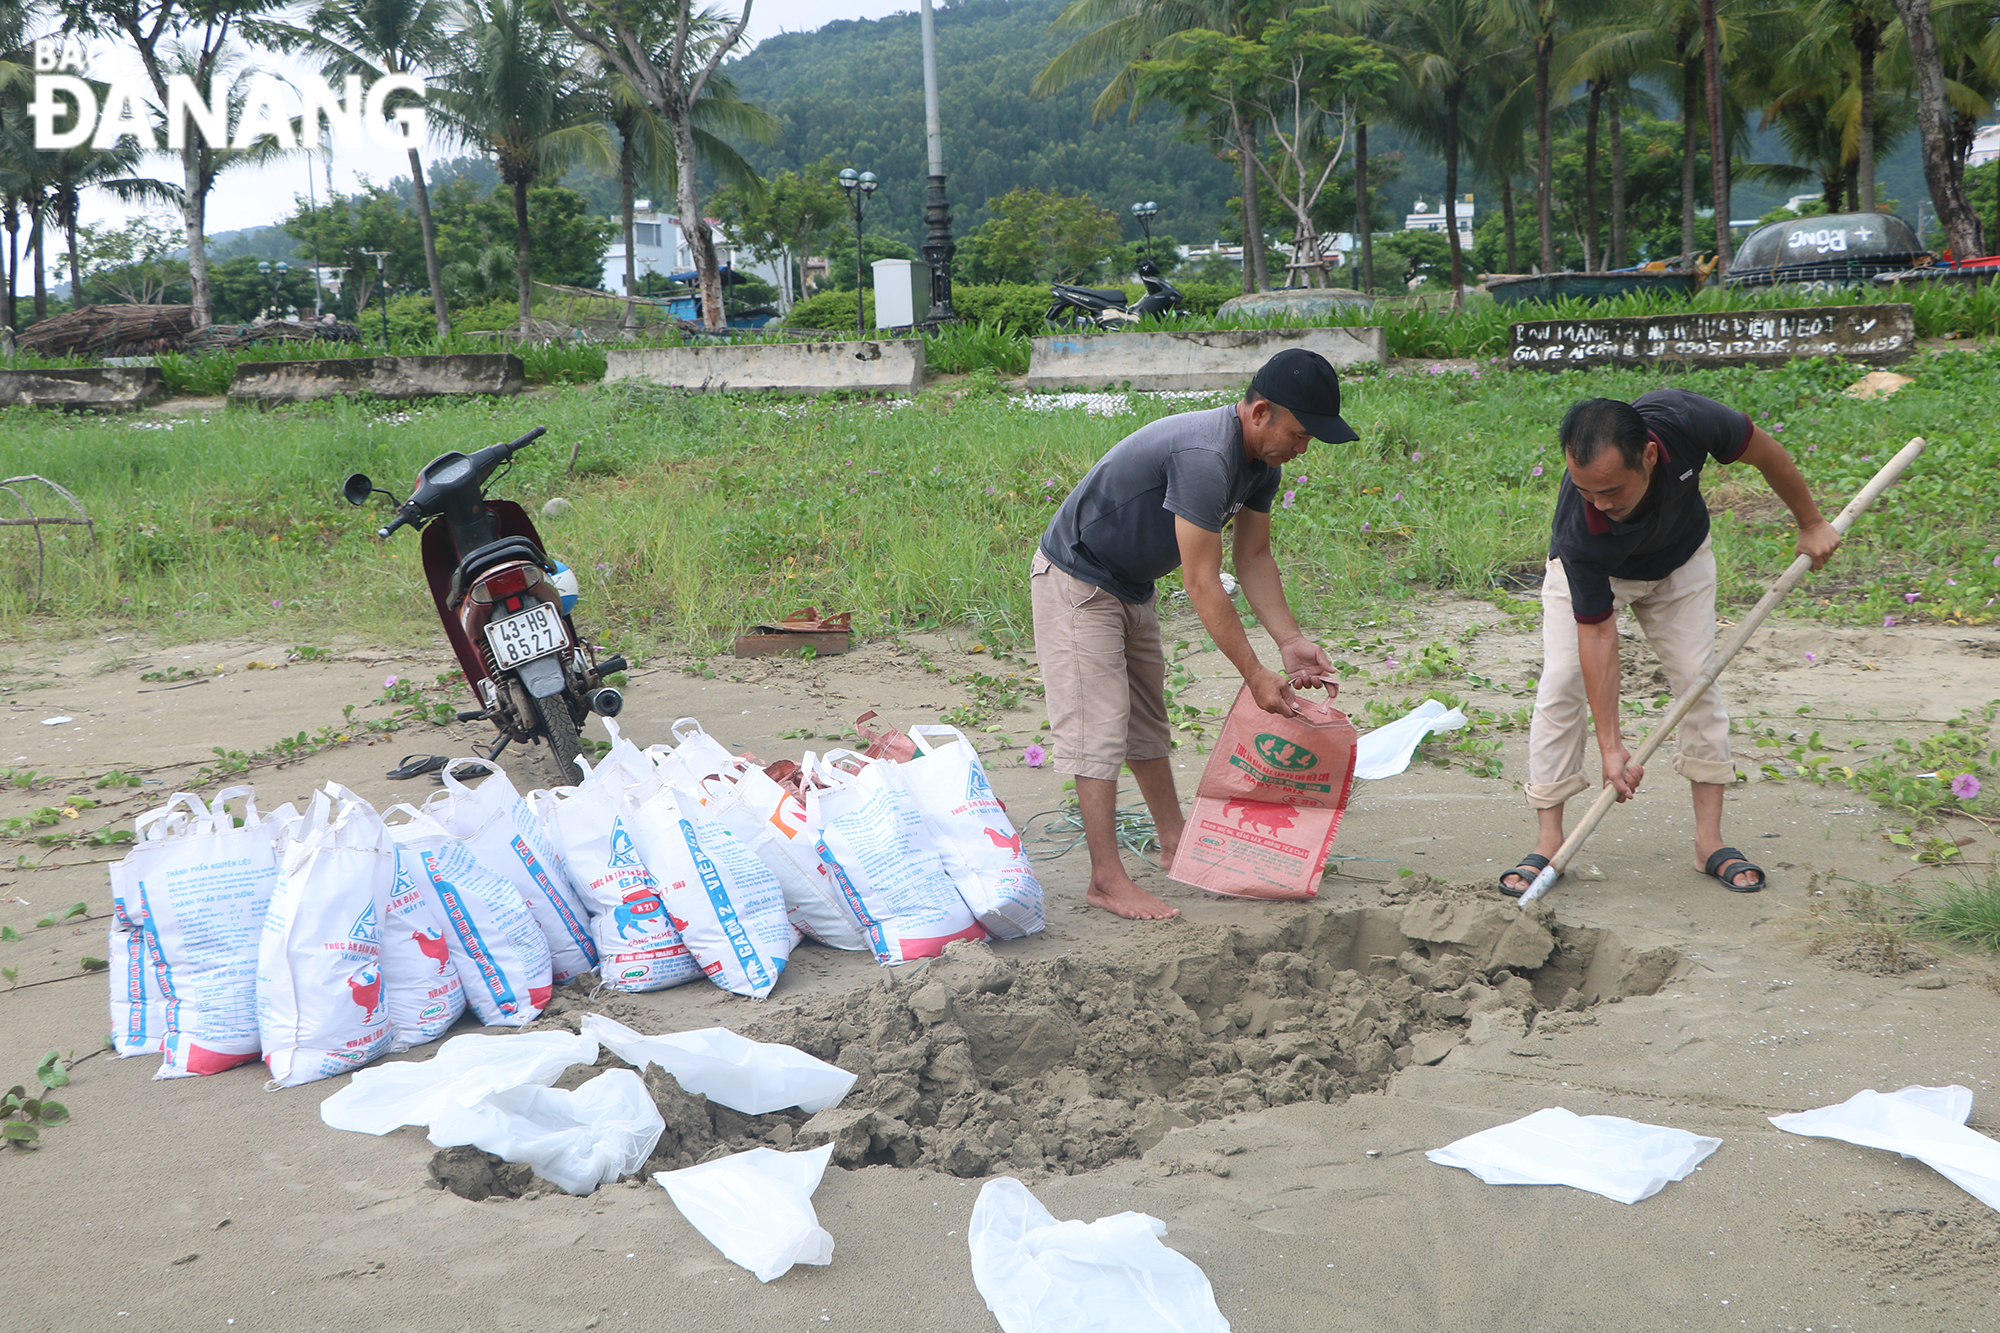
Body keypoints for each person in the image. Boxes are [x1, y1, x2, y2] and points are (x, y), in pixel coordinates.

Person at [1031, 348, 1357, 920]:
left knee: (1147, 722)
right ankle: (1106, 879)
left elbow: (1252, 556)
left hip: (1130, 587)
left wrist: (1289, 641)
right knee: (1098, 729)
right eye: (1300, 434)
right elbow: (1204, 583)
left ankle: (1175, 839)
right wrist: (1255, 675)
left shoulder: (1262, 463)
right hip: (1077, 582)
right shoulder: (1207, 455)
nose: (1302, 448)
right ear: (1260, 414)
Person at [1499, 389, 1841, 897]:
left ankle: (1709, 842)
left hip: (1680, 560)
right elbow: (1597, 633)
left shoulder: (1688, 420)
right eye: (1586, 490)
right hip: (1601, 575)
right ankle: (1550, 841)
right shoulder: (1581, 530)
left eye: (1613, 489)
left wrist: (1811, 523)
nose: (1601, 503)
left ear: (1650, 456)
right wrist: (1611, 746)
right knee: (1563, 682)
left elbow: (1766, 452)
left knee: (1696, 680)